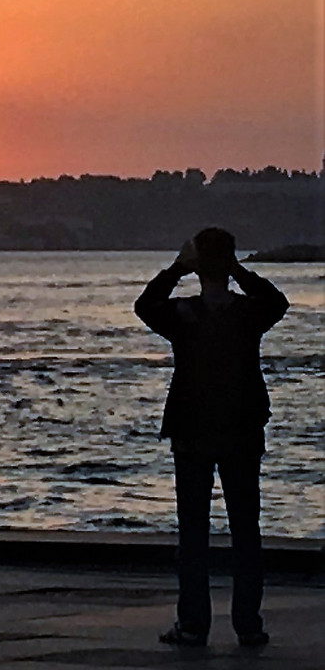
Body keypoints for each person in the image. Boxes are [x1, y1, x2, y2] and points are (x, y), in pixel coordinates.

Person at [135, 227, 288, 649]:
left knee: (193, 534)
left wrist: (177, 268)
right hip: (241, 430)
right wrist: (236, 270)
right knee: (246, 531)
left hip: (193, 432)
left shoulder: (184, 315)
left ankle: (193, 625)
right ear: (230, 261)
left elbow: (144, 306)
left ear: (198, 265)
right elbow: (279, 303)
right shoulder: (246, 314)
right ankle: (248, 624)